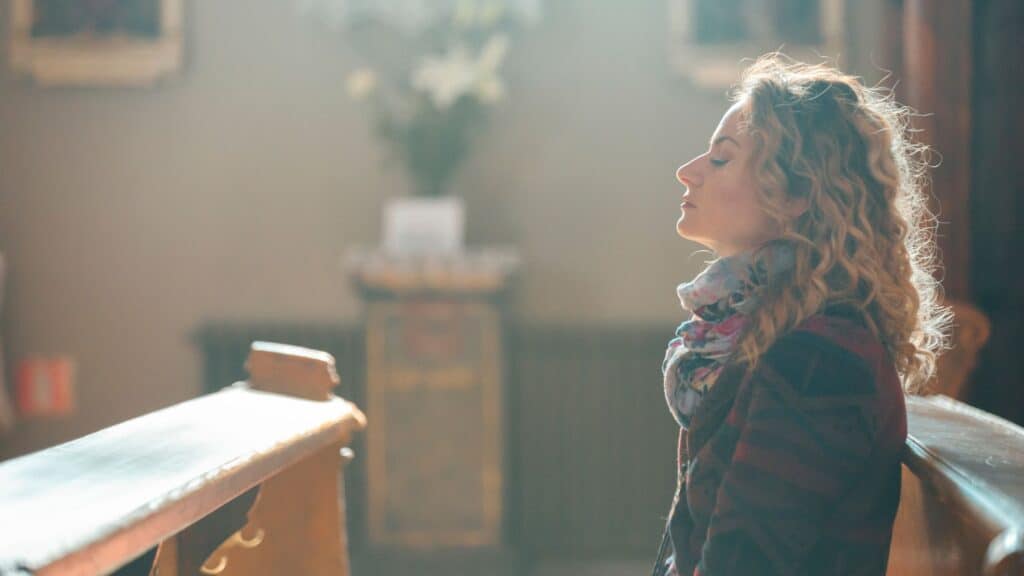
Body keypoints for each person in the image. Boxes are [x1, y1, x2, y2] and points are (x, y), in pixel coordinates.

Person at [653, 54, 952, 576]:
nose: (687, 171)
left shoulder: (820, 360)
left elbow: (743, 563)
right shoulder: (774, 334)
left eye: (721, 159)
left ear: (796, 194)